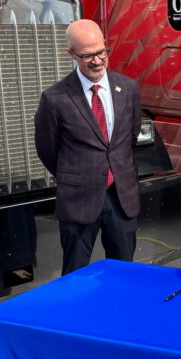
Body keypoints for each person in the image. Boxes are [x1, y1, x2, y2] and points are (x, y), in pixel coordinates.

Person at [34, 19, 141, 275]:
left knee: (125, 273)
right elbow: (47, 149)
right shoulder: (55, 98)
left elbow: (130, 138)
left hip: (121, 197)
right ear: (71, 54)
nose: (96, 61)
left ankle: (119, 315)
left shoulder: (128, 88)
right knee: (74, 275)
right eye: (86, 56)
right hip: (78, 200)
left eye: (100, 52)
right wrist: (76, 177)